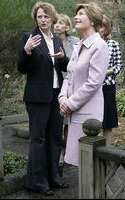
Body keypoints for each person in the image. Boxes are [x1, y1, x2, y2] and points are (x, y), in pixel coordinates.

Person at [17, 1, 69, 196]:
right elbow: (22, 68)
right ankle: (37, 182)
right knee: (38, 139)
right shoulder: (29, 38)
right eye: (39, 16)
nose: (43, 19)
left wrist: (63, 58)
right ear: (36, 19)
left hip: (56, 95)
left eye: (46, 16)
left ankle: (54, 177)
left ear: (52, 18)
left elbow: (62, 66)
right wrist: (27, 51)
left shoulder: (56, 39)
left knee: (55, 138)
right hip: (37, 97)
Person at [58, 2, 109, 166]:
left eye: (81, 14)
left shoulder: (99, 46)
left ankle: (96, 192)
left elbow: (93, 83)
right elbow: (69, 75)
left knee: (87, 163)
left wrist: (70, 103)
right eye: (76, 14)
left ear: (93, 20)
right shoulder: (78, 45)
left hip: (87, 116)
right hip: (74, 112)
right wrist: (62, 99)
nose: (76, 17)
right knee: (77, 162)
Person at [53, 14, 80, 173]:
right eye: (55, 23)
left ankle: (69, 153)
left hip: (71, 86)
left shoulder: (75, 42)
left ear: (67, 27)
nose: (56, 25)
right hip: (56, 87)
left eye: (60, 23)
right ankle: (59, 155)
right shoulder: (50, 41)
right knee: (58, 122)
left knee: (69, 123)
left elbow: (76, 63)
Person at [99, 15, 122, 146]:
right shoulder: (88, 44)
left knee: (108, 122)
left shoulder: (113, 45)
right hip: (92, 88)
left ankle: (107, 151)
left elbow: (118, 66)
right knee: (93, 121)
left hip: (107, 87)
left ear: (106, 29)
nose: (98, 29)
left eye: (101, 26)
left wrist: (106, 72)